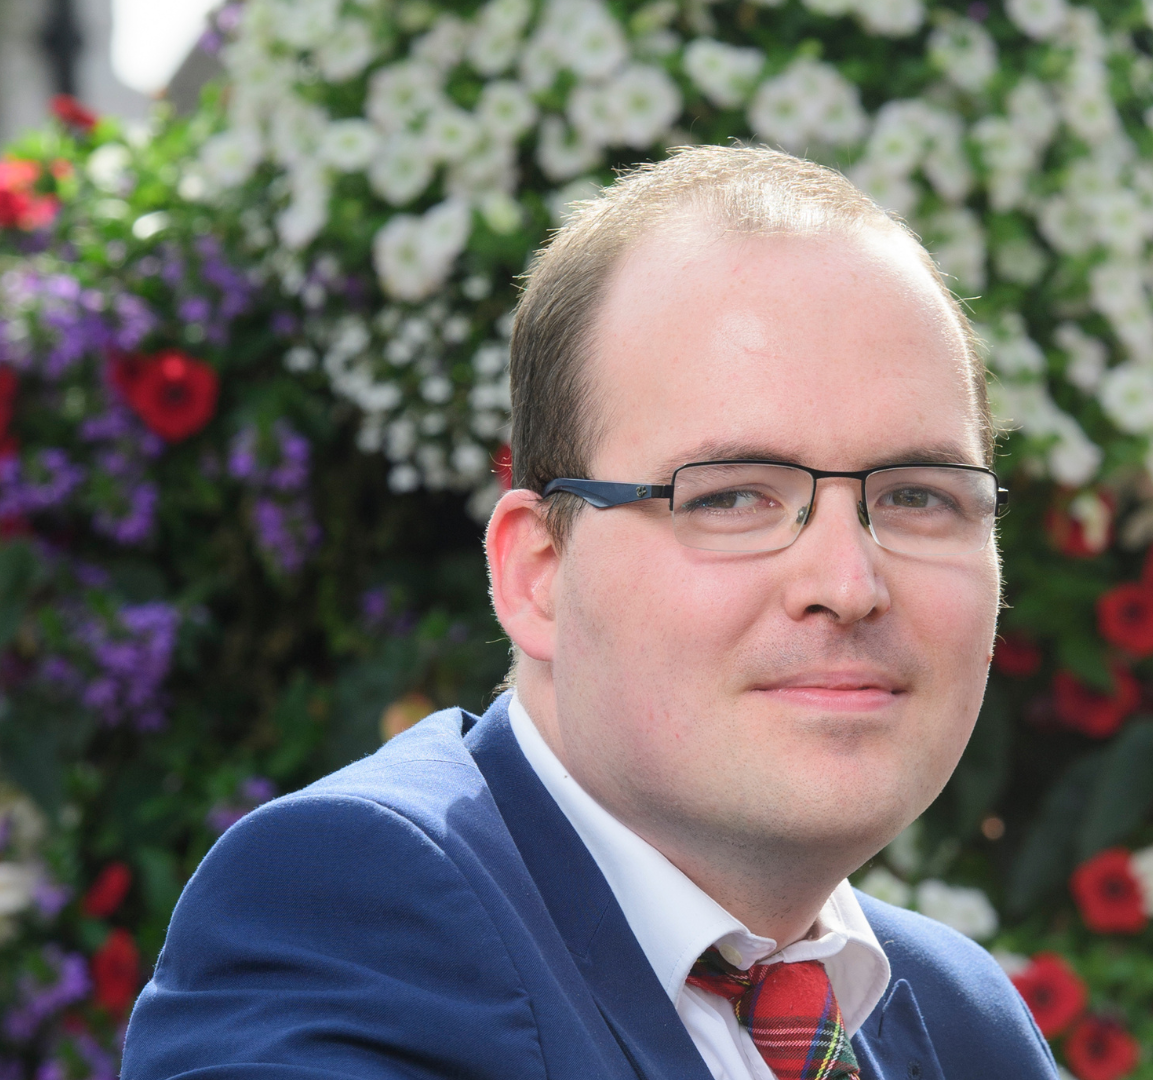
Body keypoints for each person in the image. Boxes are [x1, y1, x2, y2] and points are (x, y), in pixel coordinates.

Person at [120, 146, 1056, 1080]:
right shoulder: (347, 915)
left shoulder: (957, 1021)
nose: (849, 584)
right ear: (538, 573)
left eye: (918, 496)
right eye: (732, 497)